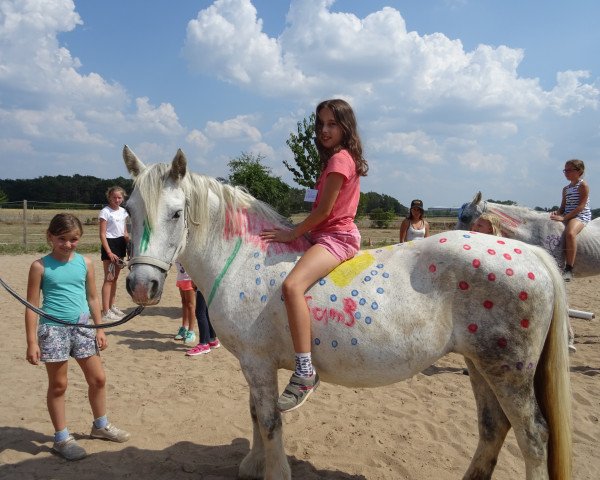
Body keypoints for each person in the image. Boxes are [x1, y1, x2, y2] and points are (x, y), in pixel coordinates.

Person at [260, 99, 368, 412]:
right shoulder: (337, 159)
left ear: (345, 127)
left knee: (291, 287)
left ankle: (305, 372)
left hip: (336, 237)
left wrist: (292, 232)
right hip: (323, 234)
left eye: (332, 124)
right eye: (320, 124)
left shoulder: (339, 161)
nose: (324, 130)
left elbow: (323, 211)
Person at [25, 213, 130, 461]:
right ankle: (61, 438)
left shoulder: (86, 263)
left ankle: (100, 425)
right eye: (62, 238)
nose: (68, 244)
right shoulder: (40, 266)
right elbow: (31, 305)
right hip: (53, 330)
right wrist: (31, 342)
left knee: (98, 379)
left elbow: (93, 298)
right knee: (59, 385)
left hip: (83, 329)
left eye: (74, 239)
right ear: (50, 237)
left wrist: (99, 328)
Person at [550, 159, 591, 282]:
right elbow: (563, 206)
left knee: (570, 233)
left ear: (579, 171)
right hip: (568, 214)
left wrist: (564, 218)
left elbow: (581, 206)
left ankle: (569, 269)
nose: (566, 173)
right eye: (565, 170)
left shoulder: (583, 185)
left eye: (569, 170)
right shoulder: (566, 188)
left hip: (580, 215)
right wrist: (556, 213)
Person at [98, 186, 129, 321]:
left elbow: (125, 232)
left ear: (123, 198)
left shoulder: (123, 211)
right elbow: (102, 234)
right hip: (110, 244)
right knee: (109, 278)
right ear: (109, 197)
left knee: (115, 279)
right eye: (114, 197)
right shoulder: (105, 212)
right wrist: (109, 252)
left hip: (121, 243)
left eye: (119, 197)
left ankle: (111, 306)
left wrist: (128, 245)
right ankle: (105, 311)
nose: (117, 200)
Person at [185, 289, 221, 356]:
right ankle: (212, 339)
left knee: (200, 312)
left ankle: (204, 343)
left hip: (203, 286)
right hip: (208, 286)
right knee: (206, 311)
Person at [174, 261, 197, 345]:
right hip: (181, 278)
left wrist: (194, 279)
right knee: (184, 302)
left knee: (191, 305)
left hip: (189, 279)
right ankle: (184, 328)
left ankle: (191, 332)